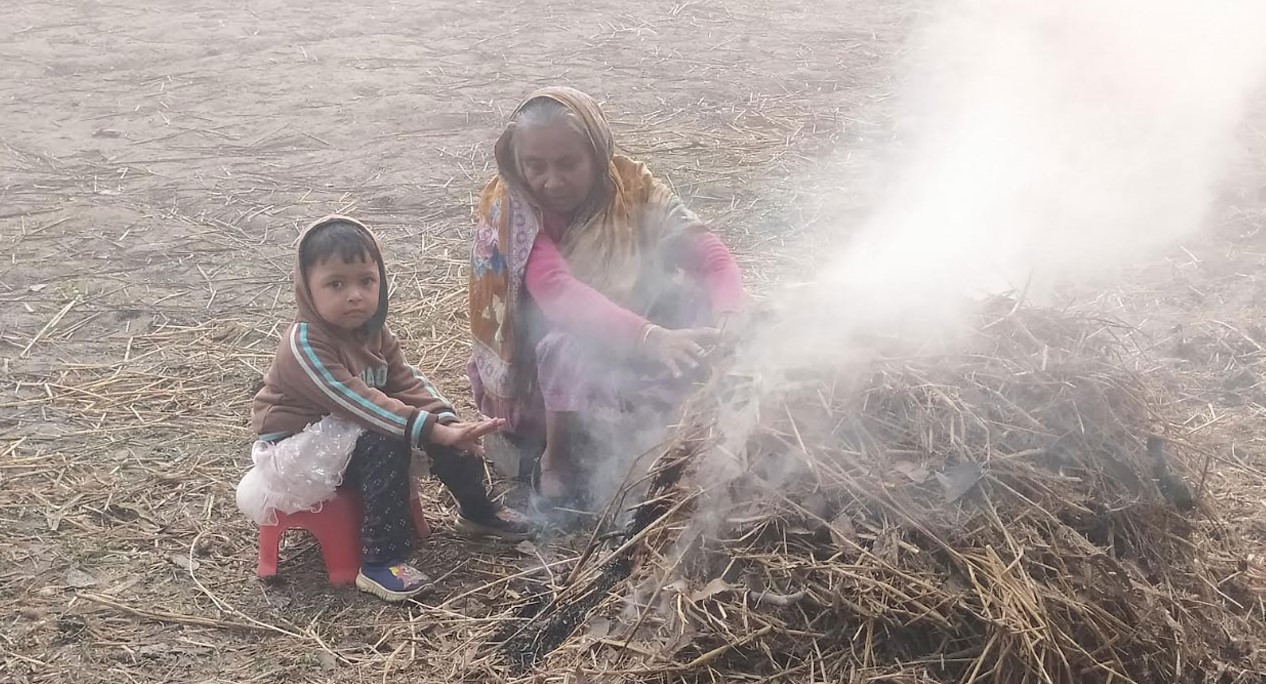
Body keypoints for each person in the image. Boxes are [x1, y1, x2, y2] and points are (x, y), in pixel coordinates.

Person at [467, 87, 746, 512]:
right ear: (517, 164)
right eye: (535, 167)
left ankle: (664, 425)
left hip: (629, 337)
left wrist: (731, 316)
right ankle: (557, 466)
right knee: (566, 349)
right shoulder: (512, 209)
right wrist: (650, 337)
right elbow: (557, 291)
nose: (551, 181)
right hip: (539, 385)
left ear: (597, 155)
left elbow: (709, 255)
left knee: (698, 303)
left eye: (568, 164)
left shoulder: (631, 188)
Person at [238, 215, 532, 603]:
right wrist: (428, 428)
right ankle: (379, 559)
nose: (355, 295)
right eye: (336, 284)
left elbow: (406, 382)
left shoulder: (374, 332)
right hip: (300, 452)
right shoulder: (305, 343)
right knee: (391, 436)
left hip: (351, 431)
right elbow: (356, 400)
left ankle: (477, 511)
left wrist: (446, 420)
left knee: (429, 426)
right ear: (307, 289)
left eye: (366, 281)